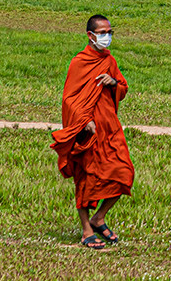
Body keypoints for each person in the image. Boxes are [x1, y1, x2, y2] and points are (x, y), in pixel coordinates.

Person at [51, 15, 134, 249]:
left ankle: (100, 218)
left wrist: (113, 83)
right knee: (87, 177)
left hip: (110, 127)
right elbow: (69, 99)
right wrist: (83, 120)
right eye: (102, 32)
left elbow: (123, 87)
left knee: (124, 172)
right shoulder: (79, 62)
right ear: (91, 35)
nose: (106, 37)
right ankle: (87, 229)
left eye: (110, 32)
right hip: (89, 130)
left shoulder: (109, 61)